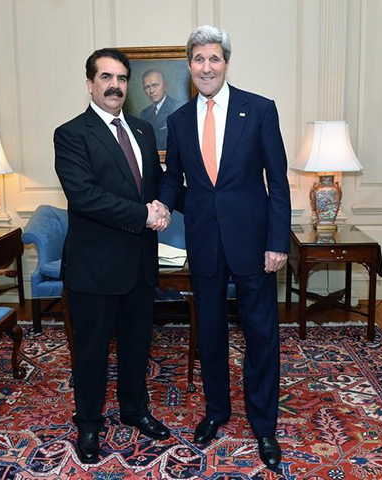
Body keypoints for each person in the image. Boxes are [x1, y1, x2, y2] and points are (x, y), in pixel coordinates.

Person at [157, 25, 291, 469]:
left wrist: (277, 242)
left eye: (214, 59)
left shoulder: (259, 109)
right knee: (210, 335)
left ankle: (264, 425)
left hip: (254, 246)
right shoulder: (177, 121)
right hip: (205, 244)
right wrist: (158, 206)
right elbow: (175, 180)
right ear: (189, 66)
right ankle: (217, 412)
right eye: (198, 60)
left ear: (226, 63)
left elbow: (278, 181)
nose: (206, 67)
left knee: (261, 336)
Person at [54, 48, 172, 465]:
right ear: (90, 83)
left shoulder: (142, 130)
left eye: (122, 78)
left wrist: (164, 206)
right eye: (106, 77)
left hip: (139, 264)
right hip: (95, 268)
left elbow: (154, 187)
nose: (115, 85)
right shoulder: (71, 133)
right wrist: (144, 214)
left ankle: (135, 410)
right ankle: (88, 422)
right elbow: (85, 197)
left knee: (138, 346)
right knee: (91, 352)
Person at [139, 70, 184, 150]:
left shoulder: (178, 108)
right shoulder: (144, 113)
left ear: (165, 86)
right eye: (147, 87)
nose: (151, 91)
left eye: (155, 85)